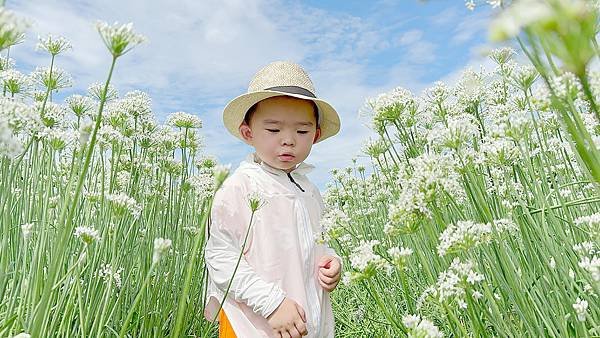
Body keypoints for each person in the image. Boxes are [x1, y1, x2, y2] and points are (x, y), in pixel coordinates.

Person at [204, 60, 342, 338]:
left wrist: (332, 262)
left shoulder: (310, 192)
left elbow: (317, 245)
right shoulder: (239, 187)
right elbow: (220, 257)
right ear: (248, 133)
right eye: (273, 130)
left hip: (304, 324)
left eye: (301, 131)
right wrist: (272, 304)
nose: (288, 140)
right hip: (252, 325)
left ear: (315, 136)